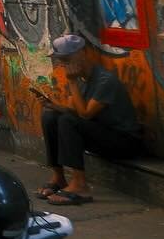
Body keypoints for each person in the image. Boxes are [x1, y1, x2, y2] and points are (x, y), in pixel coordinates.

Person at [37, 34, 141, 206]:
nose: (63, 64)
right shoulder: (81, 80)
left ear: (82, 53)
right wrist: (53, 106)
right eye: (60, 59)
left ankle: (80, 185)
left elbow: (84, 114)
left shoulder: (104, 80)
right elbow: (73, 111)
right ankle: (58, 176)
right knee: (50, 117)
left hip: (124, 141)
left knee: (67, 122)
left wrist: (71, 82)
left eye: (66, 59)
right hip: (100, 133)